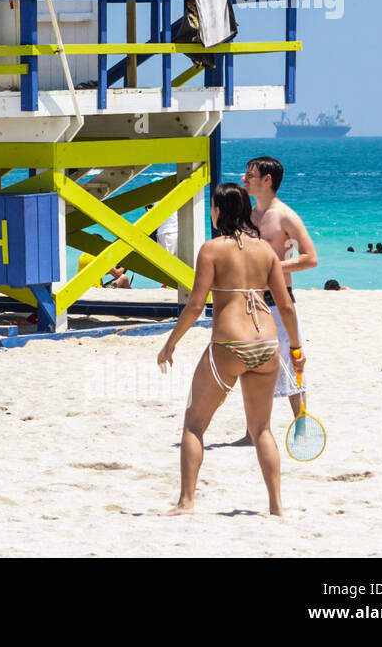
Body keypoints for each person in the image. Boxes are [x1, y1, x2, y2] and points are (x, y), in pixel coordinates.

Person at [157, 183, 302, 516]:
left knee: (194, 424)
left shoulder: (211, 249)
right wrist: (295, 349)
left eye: (212, 206)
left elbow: (195, 306)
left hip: (229, 344)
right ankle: (276, 506)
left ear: (219, 210)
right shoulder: (266, 250)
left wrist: (170, 343)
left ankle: (186, 502)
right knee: (262, 429)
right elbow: (287, 307)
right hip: (266, 344)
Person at [229, 155, 317, 447]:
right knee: (249, 365)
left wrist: (274, 267)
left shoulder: (285, 216)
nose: (244, 179)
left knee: (291, 365)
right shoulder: (248, 216)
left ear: (267, 180)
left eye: (250, 175)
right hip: (250, 302)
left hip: (279, 301)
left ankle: (302, 428)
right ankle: (252, 431)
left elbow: (310, 258)